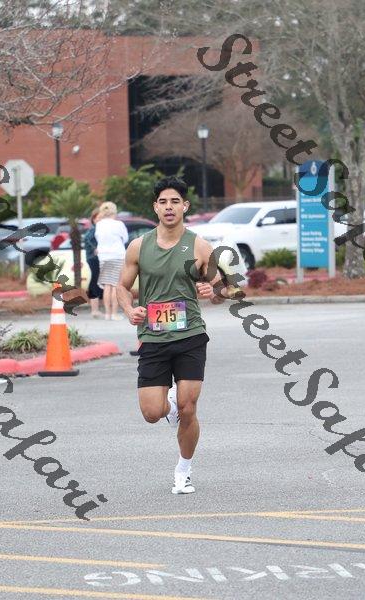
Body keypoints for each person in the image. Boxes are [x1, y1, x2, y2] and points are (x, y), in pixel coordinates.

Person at [117, 176, 232, 495]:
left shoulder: (199, 245)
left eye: (175, 202)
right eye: (163, 202)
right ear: (155, 207)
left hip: (190, 335)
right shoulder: (139, 246)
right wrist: (129, 310)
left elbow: (226, 289)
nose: (169, 207)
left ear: (185, 206)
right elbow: (122, 287)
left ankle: (184, 470)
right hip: (153, 337)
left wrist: (214, 291)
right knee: (152, 413)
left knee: (188, 407)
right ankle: (168, 406)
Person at [95, 201, 129, 321]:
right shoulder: (119, 224)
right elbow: (125, 238)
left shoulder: (99, 224)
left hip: (103, 257)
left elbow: (98, 238)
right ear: (114, 211)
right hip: (117, 256)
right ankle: (114, 314)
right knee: (115, 285)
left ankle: (107, 314)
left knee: (107, 285)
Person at [84, 208, 104, 318]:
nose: (100, 220)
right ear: (94, 219)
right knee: (95, 281)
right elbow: (87, 239)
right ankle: (94, 310)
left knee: (99, 282)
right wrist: (95, 248)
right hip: (93, 258)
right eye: (98, 218)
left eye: (102, 217)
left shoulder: (101, 229)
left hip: (98, 257)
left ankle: (98, 309)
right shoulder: (94, 229)